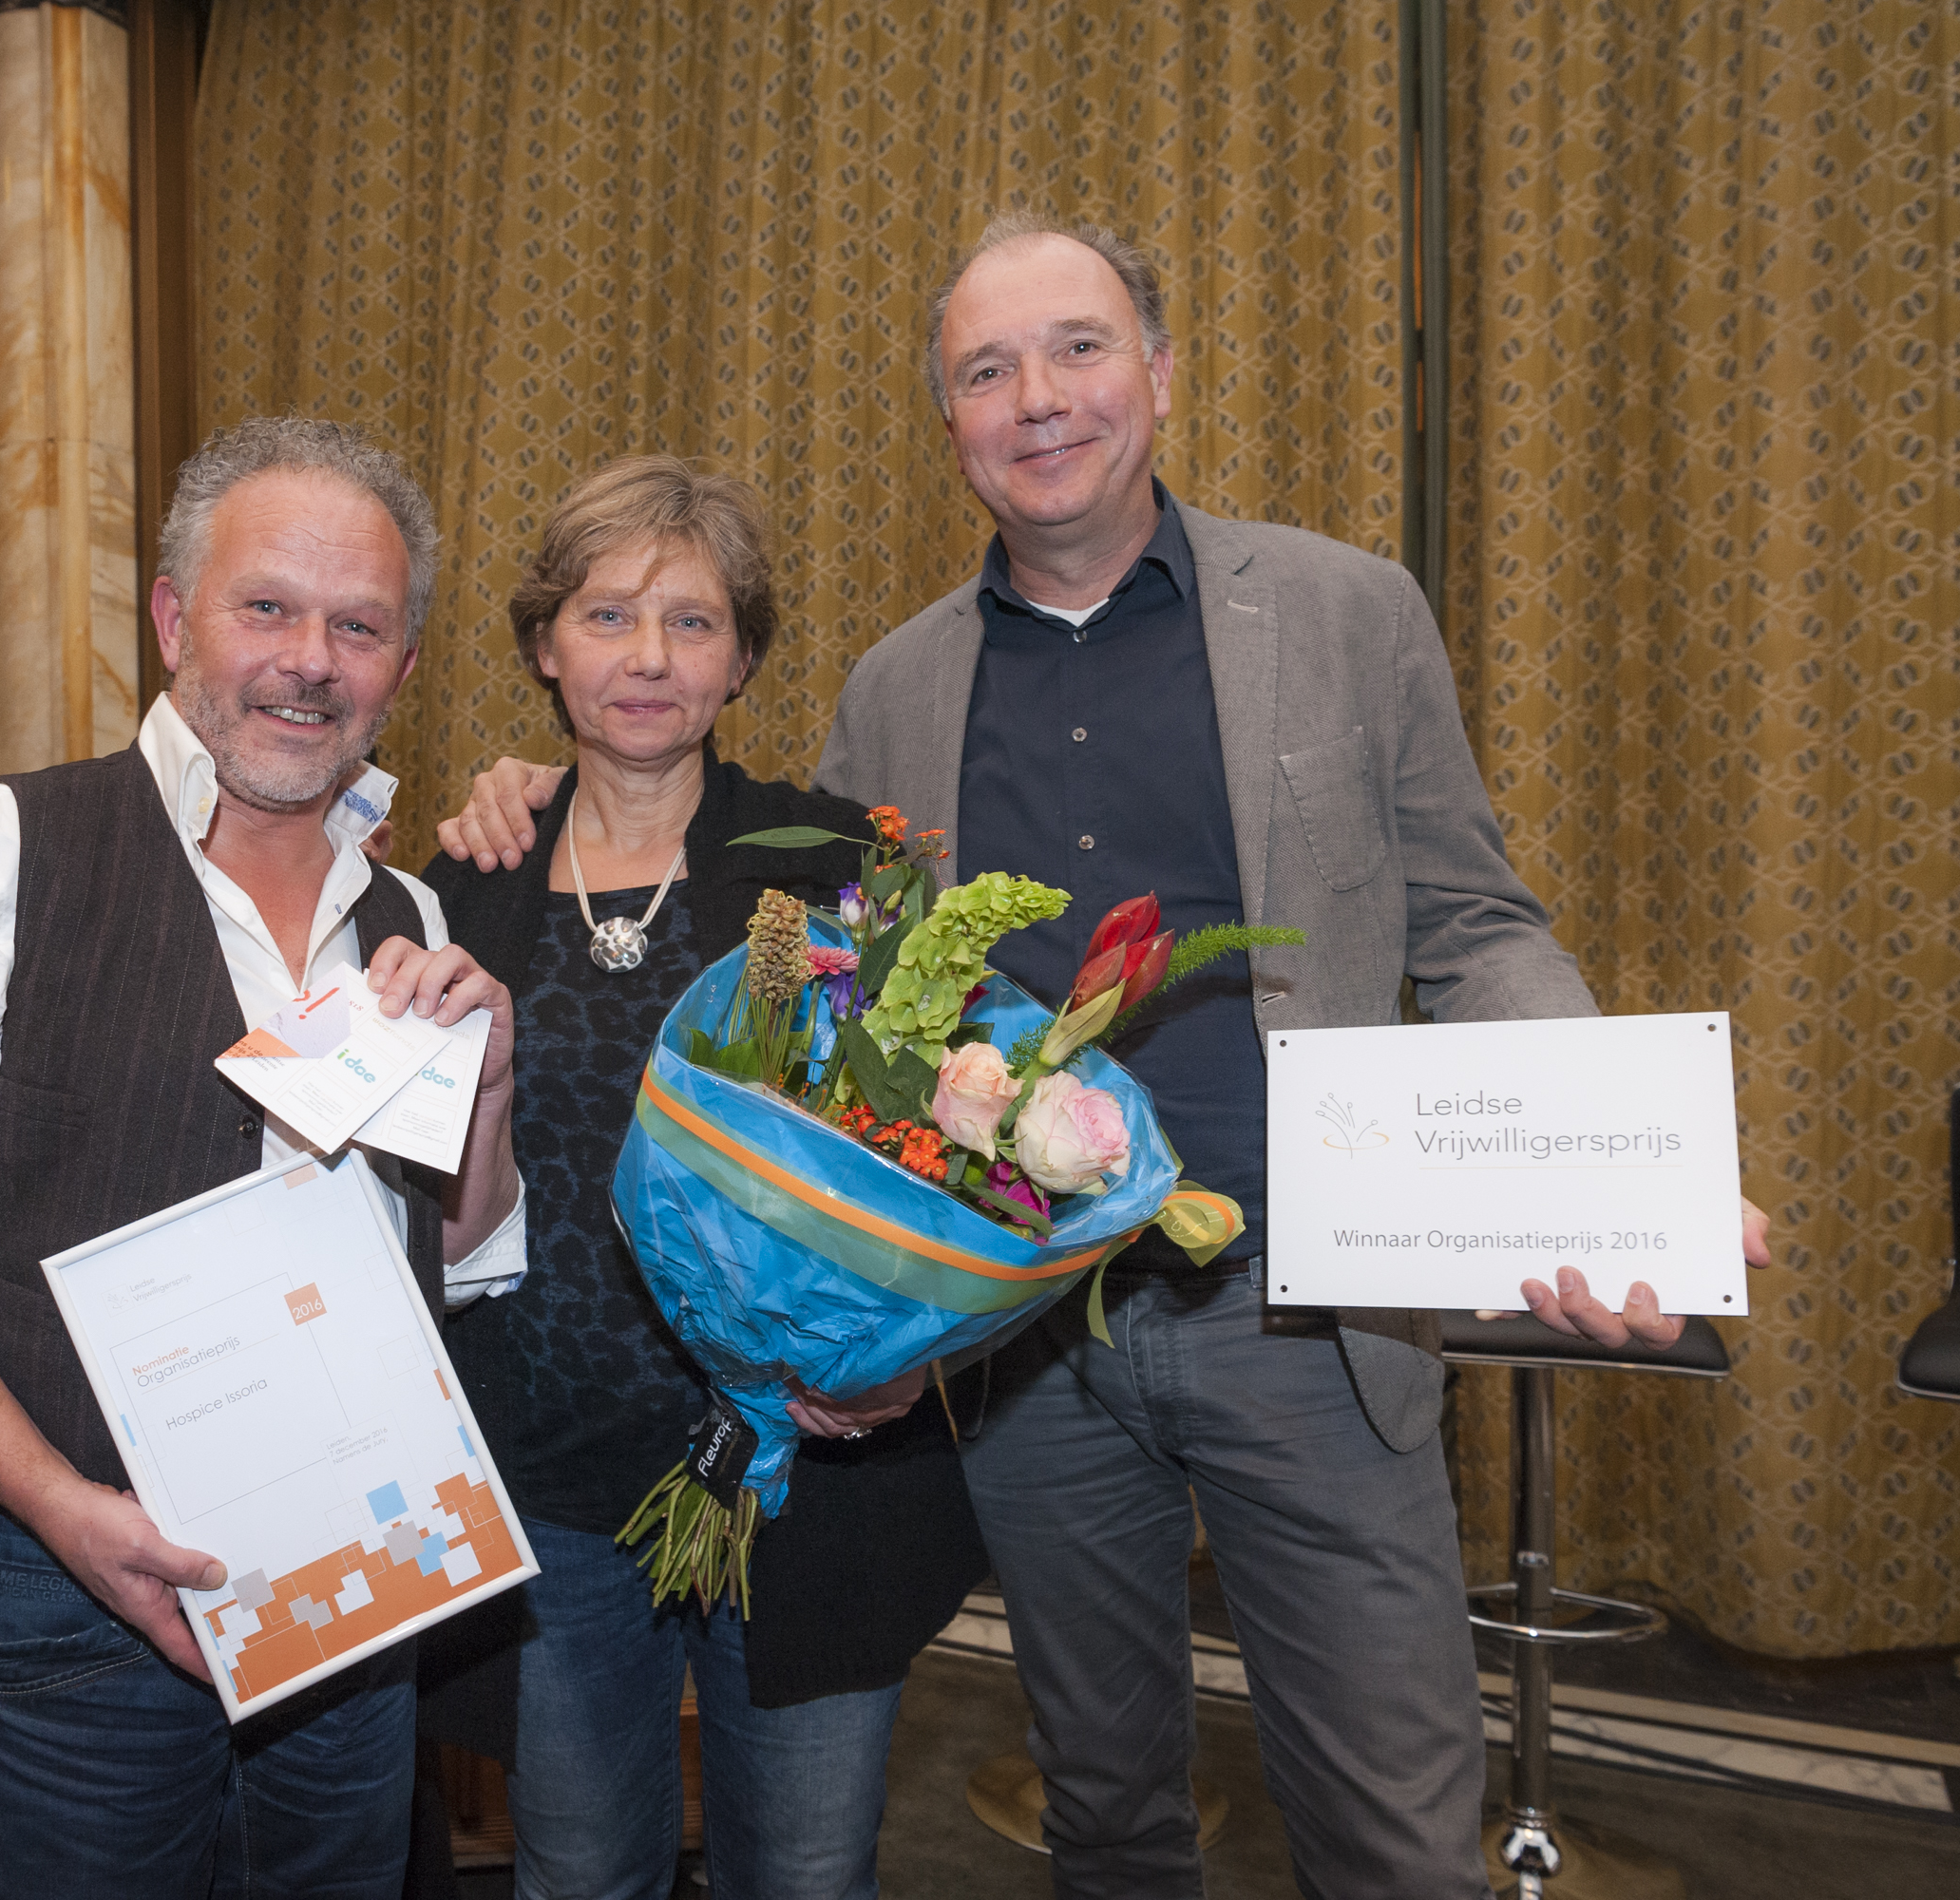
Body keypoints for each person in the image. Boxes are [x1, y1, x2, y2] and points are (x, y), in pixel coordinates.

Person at [434, 215, 1775, 1897]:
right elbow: (837, 1032)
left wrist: (1607, 1165)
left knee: (1392, 1836)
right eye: (985, 370)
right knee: (1106, 1818)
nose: (1038, 398)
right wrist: (524, 792)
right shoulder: (896, 690)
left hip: (1307, 1315)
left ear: (1159, 370)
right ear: (948, 423)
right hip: (1023, 1349)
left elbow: (1475, 928)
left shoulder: (1347, 614)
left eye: (1076, 348)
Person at [0, 417, 528, 1899]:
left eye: (358, 626)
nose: (310, 660)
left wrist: (484, 1096)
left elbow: (460, 1260)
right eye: (267, 607)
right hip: (68, 1590)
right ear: (175, 621)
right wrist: (59, 1507)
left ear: (402, 666)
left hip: (357, 1581)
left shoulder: (411, 918)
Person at [413, 454, 988, 1900]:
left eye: (692, 621)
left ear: (740, 660)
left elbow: (940, 1164)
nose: (650, 658)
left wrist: (897, 1362)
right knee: (575, 1870)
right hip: (547, 1479)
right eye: (607, 617)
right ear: (545, 648)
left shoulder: (831, 866)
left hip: (806, 1470)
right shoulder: (461, 882)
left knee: (803, 1874)